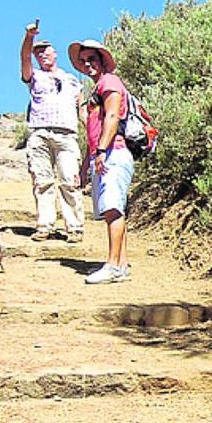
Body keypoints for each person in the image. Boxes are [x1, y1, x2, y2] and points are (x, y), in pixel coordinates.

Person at [70, 39, 133, 284]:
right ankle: (121, 264)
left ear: (102, 60)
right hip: (106, 152)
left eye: (92, 59)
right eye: (84, 61)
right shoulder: (98, 89)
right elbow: (93, 132)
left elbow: (114, 115)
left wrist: (102, 151)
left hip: (113, 152)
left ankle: (113, 265)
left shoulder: (109, 82)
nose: (87, 65)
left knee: (112, 207)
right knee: (113, 208)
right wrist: (86, 165)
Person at [20, 20, 85, 243]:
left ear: (55, 53)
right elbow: (25, 59)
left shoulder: (72, 80)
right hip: (39, 132)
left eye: (45, 50)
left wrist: (93, 138)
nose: (42, 55)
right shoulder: (34, 76)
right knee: (42, 180)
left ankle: (74, 227)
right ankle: (44, 224)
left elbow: (82, 109)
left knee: (69, 179)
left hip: (66, 133)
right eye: (38, 52)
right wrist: (29, 37)